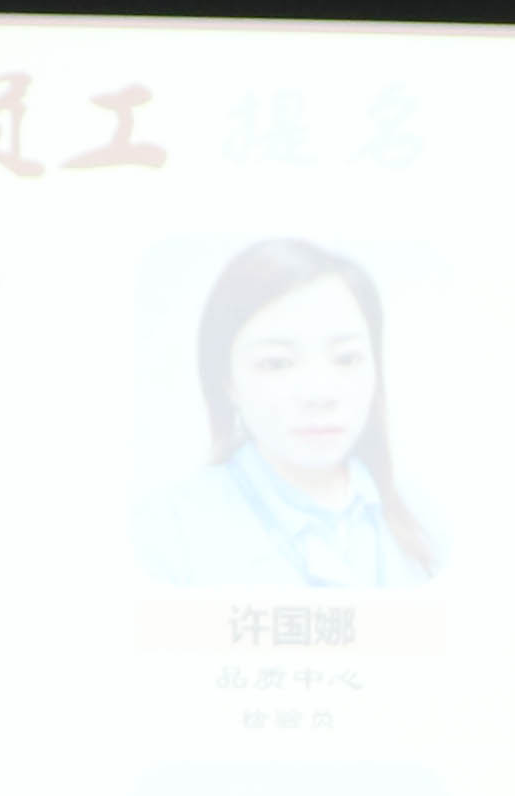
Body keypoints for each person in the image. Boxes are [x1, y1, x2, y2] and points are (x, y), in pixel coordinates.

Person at [134, 237, 442, 590]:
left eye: (346, 358)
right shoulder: (164, 533)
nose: (319, 394)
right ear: (227, 382)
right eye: (277, 363)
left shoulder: (426, 517)